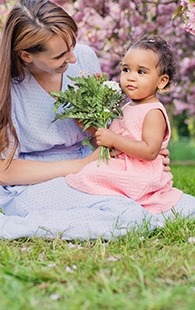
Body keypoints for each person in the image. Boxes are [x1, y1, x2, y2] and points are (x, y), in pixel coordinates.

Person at [0, 0, 195, 240]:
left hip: (97, 172)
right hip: (34, 185)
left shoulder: (84, 58)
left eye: (71, 46)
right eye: (60, 56)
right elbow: (6, 172)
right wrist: (84, 164)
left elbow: (99, 133)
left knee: (188, 208)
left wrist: (137, 152)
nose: (72, 58)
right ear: (26, 56)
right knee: (127, 215)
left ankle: (125, 221)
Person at [66, 36, 184, 215]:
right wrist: (91, 129)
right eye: (126, 69)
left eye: (141, 72)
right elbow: (108, 144)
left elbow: (150, 151)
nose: (131, 77)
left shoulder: (153, 112)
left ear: (162, 81)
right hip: (123, 165)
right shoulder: (126, 107)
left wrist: (114, 139)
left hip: (140, 171)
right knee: (91, 172)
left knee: (92, 173)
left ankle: (120, 209)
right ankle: (105, 206)